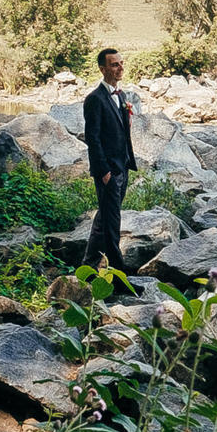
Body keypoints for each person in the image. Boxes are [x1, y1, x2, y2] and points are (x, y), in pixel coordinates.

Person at [82, 46, 135, 273]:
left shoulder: (121, 95)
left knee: (104, 218)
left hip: (122, 167)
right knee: (112, 223)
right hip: (108, 172)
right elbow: (92, 138)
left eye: (121, 63)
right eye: (114, 64)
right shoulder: (94, 99)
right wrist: (104, 172)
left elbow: (122, 132)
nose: (120, 67)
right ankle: (119, 272)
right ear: (103, 69)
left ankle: (88, 264)